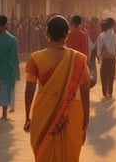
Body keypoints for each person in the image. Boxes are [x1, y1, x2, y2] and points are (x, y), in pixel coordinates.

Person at [24, 15, 90, 162]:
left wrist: (27, 116)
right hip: (72, 114)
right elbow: (85, 88)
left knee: (43, 153)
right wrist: (86, 116)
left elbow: (29, 89)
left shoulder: (36, 58)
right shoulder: (78, 59)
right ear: (67, 34)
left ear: (47, 33)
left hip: (43, 113)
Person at [0, 14, 19, 120]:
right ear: (6, 25)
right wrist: (14, 73)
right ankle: (3, 114)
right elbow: (13, 59)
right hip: (4, 71)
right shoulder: (12, 40)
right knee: (4, 93)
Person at [96, 17, 116, 98]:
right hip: (112, 58)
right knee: (111, 75)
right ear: (112, 25)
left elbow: (99, 47)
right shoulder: (114, 35)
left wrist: (98, 56)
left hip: (105, 59)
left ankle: (104, 92)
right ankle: (110, 91)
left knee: (104, 75)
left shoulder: (101, 35)